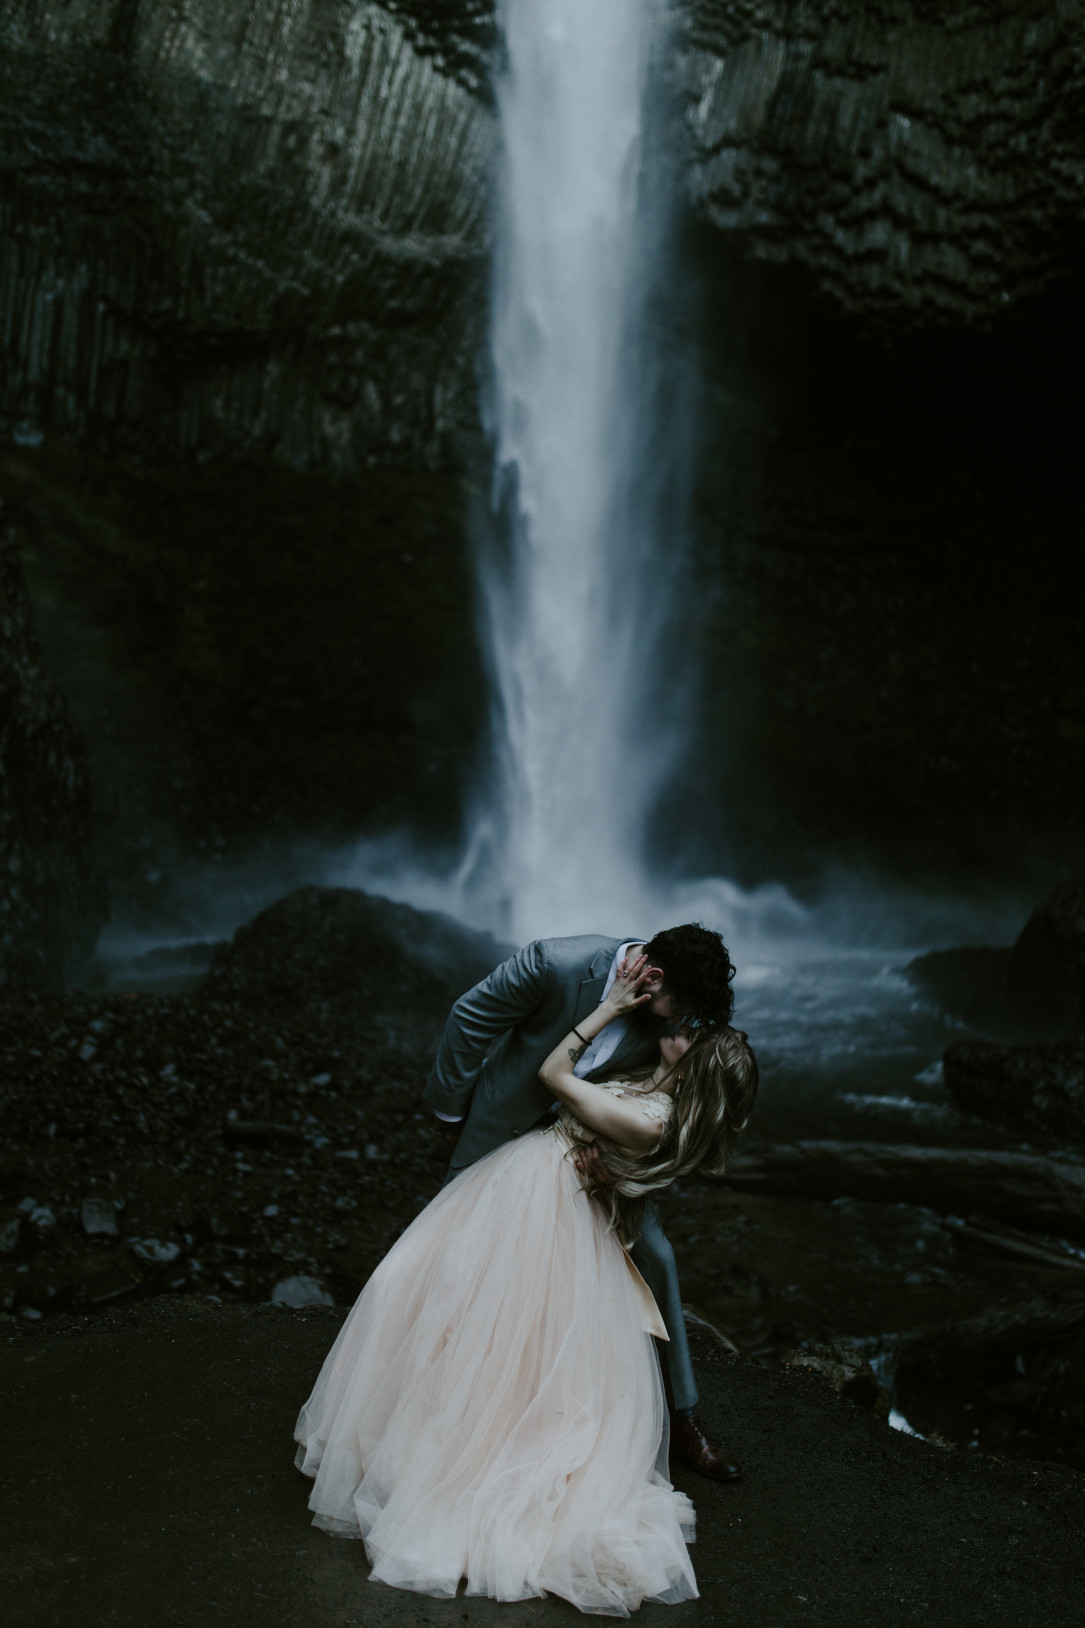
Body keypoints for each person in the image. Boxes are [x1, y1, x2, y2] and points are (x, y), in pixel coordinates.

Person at [295, 953, 758, 1614]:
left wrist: (608, 1010)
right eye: (685, 1023)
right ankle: (424, 1413)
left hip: (544, 1196)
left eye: (690, 1037)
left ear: (694, 1070)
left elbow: (555, 1075)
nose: (679, 1030)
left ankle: (662, 1417)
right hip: (534, 1182)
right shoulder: (639, 1059)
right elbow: (482, 1023)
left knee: (504, 1317)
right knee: (452, 1296)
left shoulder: (653, 1111)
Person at [424, 923, 743, 1480]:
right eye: (680, 1008)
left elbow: (699, 1096)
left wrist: (623, 1167)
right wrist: (450, 1113)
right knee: (456, 1251)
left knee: (658, 1257)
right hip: (506, 1126)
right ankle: (440, 1394)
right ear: (654, 977)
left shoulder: (676, 1019)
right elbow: (470, 1019)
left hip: (600, 1147)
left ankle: (681, 1415)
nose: (682, 1021)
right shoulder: (556, 964)